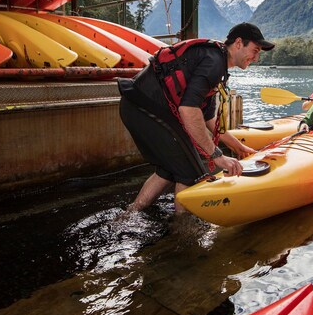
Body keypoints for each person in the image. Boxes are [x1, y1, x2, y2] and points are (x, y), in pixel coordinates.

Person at [118, 22, 275, 212]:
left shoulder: (216, 62)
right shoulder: (214, 62)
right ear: (239, 43)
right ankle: (184, 232)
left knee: (170, 169)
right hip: (144, 109)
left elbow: (208, 120)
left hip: (137, 107)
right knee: (192, 173)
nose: (257, 58)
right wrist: (217, 155)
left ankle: (131, 214)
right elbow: (188, 110)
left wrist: (239, 147)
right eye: (255, 50)